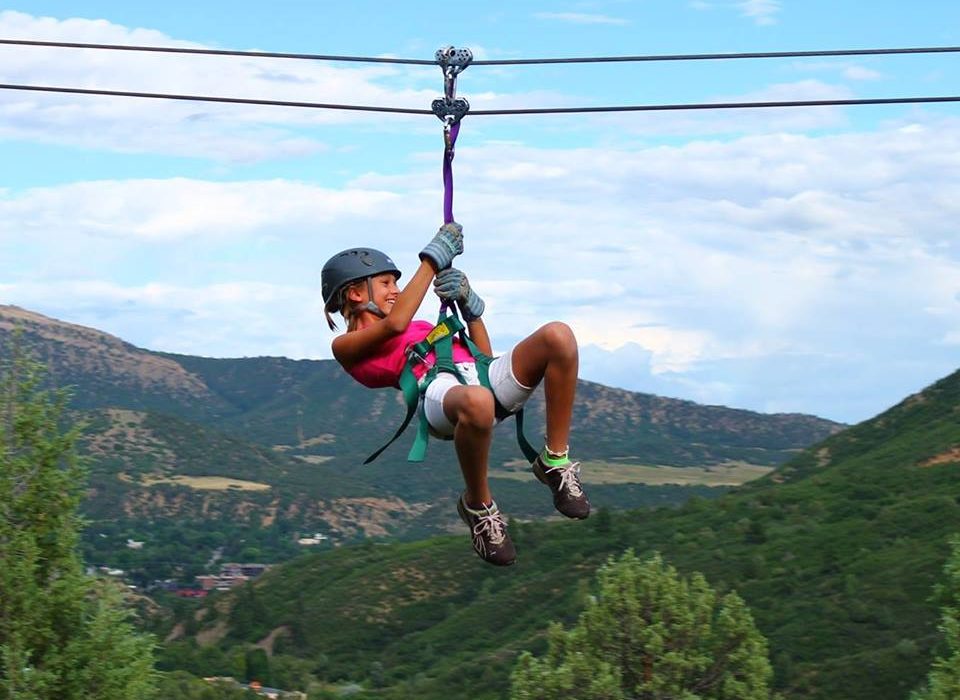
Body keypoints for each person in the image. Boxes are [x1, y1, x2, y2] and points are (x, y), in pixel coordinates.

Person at [321, 223, 589, 566]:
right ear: (356, 294)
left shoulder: (416, 324)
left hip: (477, 379)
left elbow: (484, 358)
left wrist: (469, 308)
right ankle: (478, 506)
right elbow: (394, 326)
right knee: (477, 400)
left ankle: (554, 460)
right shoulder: (346, 346)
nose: (397, 291)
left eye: (397, 284)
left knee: (558, 335)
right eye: (387, 283)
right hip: (438, 395)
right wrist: (431, 260)